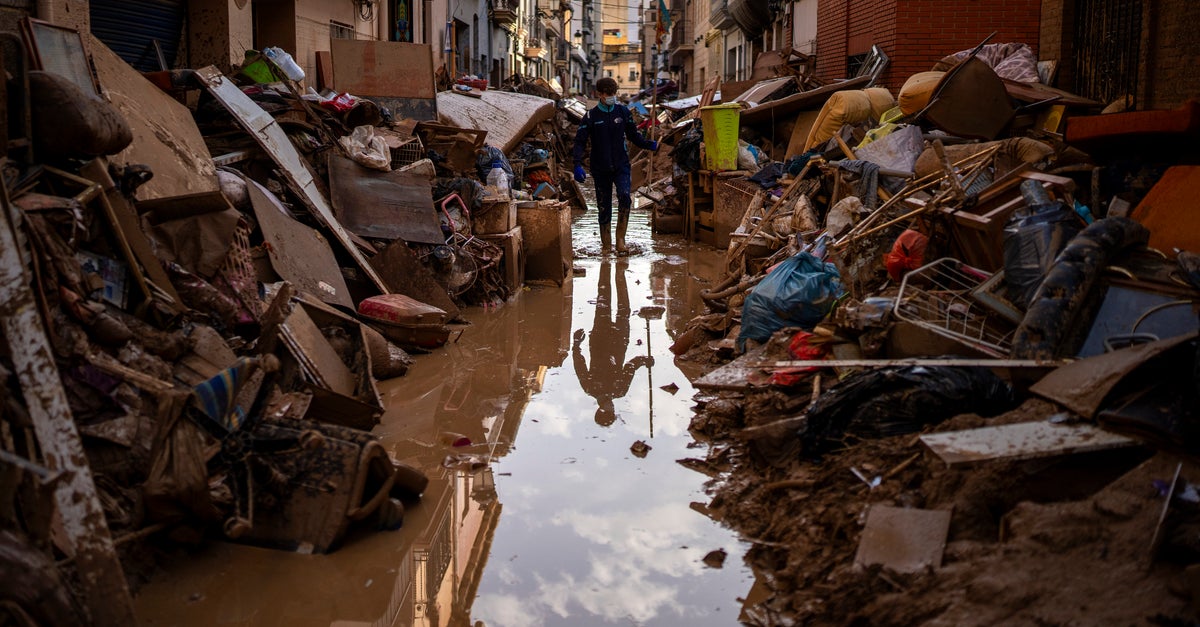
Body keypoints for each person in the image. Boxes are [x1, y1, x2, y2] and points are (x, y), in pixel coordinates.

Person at [573, 77, 659, 254]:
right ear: (599, 94)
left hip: (621, 165)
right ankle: (606, 244)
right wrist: (577, 164)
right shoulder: (591, 116)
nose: (611, 97)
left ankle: (620, 240)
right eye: (608, 94)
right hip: (600, 167)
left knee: (625, 196)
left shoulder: (623, 112)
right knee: (603, 205)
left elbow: (633, 136)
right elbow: (580, 142)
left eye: (614, 93)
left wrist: (647, 144)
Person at [572, 258, 653, 426]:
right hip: (617, 340)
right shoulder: (617, 390)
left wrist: (576, 345)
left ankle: (607, 265)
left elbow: (579, 364)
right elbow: (630, 367)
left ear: (601, 410)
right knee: (620, 305)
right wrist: (643, 360)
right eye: (612, 410)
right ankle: (619, 271)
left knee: (604, 298)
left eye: (610, 410)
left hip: (602, 339)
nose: (612, 407)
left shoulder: (593, 388)